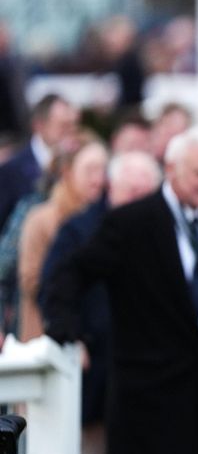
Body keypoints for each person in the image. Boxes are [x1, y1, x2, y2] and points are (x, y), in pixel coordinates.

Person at [43, 128, 198, 454]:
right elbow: (69, 273)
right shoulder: (132, 221)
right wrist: (67, 330)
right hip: (144, 405)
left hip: (191, 409)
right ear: (171, 170)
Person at [39, 150, 163, 454]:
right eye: (129, 193)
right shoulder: (81, 230)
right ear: (111, 188)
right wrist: (71, 336)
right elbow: (54, 289)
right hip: (99, 377)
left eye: (144, 195)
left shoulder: (163, 231)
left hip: (150, 383)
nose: (136, 204)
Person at [18, 141, 109, 341]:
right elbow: (30, 279)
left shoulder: (108, 219)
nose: (98, 179)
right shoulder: (41, 219)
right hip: (48, 336)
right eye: (90, 170)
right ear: (69, 172)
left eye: (103, 170)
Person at [0, 94, 79, 230]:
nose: (70, 132)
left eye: (73, 125)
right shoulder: (11, 170)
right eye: (63, 126)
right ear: (39, 126)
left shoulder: (78, 162)